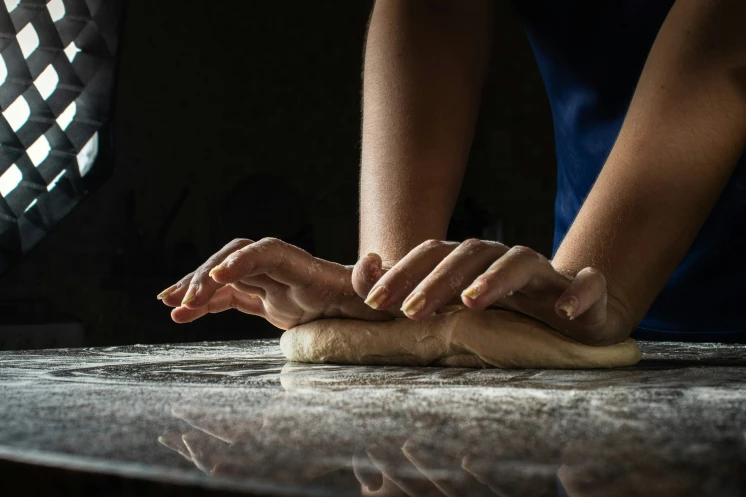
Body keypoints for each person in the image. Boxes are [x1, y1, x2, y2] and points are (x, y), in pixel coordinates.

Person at [158, 0, 746, 345]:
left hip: (624, 261)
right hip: (585, 278)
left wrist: (608, 284)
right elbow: (435, 12)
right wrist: (395, 287)